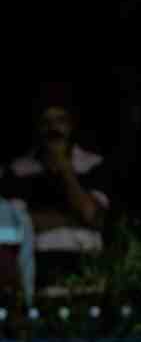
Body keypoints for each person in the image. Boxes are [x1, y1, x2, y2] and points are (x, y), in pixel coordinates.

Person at [0, 85, 109, 295]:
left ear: (72, 125)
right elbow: (18, 226)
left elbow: (92, 215)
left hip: (88, 281)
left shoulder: (94, 165)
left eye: (61, 120)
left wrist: (65, 168)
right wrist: (72, 219)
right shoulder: (17, 171)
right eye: (46, 122)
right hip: (38, 283)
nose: (54, 129)